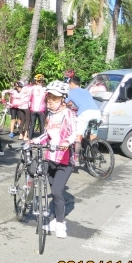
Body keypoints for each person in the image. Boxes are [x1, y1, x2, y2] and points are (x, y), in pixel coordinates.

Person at [29, 80, 77, 239]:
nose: (50, 100)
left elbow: (74, 133)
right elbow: (47, 134)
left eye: (54, 98)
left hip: (64, 160)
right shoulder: (50, 115)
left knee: (57, 191)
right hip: (50, 158)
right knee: (53, 191)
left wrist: (66, 142)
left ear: (62, 99)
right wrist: (35, 140)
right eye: (49, 97)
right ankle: (55, 219)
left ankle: (61, 224)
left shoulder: (68, 114)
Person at [65, 76, 102, 165]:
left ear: (71, 84)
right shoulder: (86, 91)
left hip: (85, 113)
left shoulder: (70, 92)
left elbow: (64, 103)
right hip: (97, 112)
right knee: (93, 136)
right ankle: (94, 156)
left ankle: (76, 158)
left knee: (78, 136)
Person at [28, 74, 47, 139]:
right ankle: (42, 140)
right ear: (42, 81)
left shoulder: (32, 88)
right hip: (41, 109)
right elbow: (46, 98)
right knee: (42, 124)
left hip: (33, 109)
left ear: (36, 81)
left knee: (32, 124)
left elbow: (29, 98)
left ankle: (29, 139)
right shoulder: (45, 89)